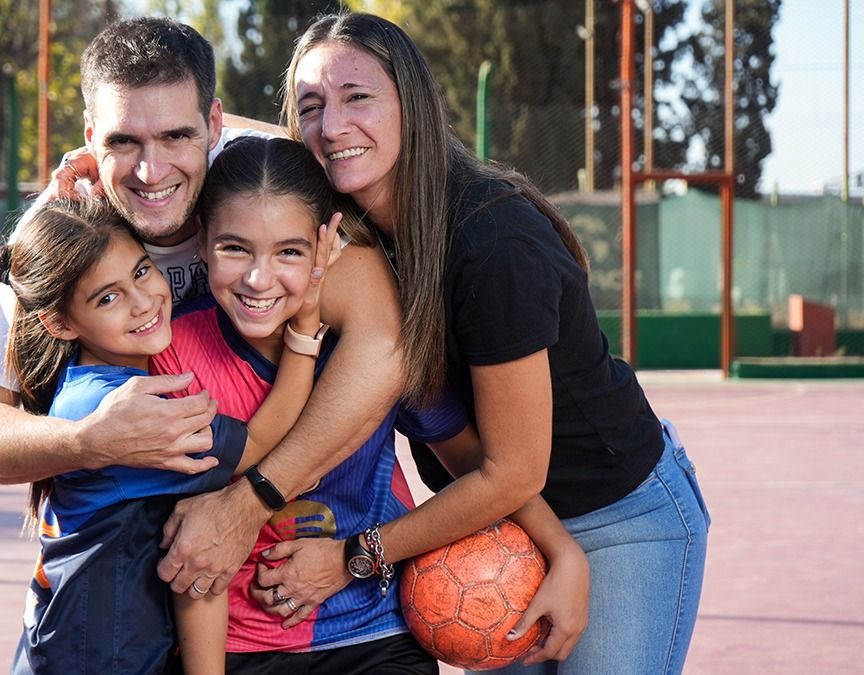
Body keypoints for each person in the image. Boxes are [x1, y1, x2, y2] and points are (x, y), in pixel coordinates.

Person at [253, 12, 711, 675]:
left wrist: (356, 555)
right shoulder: (357, 235)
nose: (332, 126)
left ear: (412, 104)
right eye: (311, 107)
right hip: (494, 523)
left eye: (358, 97)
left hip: (614, 519)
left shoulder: (492, 241)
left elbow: (514, 470)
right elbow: (251, 141)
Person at [0, 16, 404, 616]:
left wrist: (252, 502)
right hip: (125, 595)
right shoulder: (64, 231)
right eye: (123, 142)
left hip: (286, 579)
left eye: (175, 137)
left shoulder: (261, 190)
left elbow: (384, 347)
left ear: (213, 126)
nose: (150, 171)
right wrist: (90, 440)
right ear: (91, 137)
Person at [151, 135, 588, 673]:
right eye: (234, 249)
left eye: (289, 252)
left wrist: (561, 549)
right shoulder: (174, 353)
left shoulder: (365, 352)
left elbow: (471, 459)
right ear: (201, 241)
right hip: (241, 644)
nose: (259, 279)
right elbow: (195, 542)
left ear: (326, 247)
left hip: (374, 632)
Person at [0, 196, 340, 674]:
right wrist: (304, 327)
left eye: (141, 272)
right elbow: (258, 446)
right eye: (108, 298)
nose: (142, 302)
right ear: (59, 323)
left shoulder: (93, 385)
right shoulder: (119, 410)